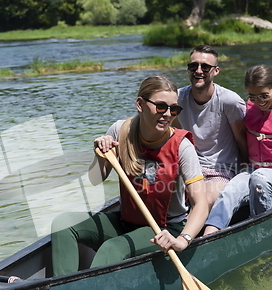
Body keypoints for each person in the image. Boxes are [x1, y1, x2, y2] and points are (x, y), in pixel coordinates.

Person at [51, 76, 209, 276]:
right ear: (140, 104)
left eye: (173, 109)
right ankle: (61, 289)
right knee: (63, 224)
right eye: (161, 107)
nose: (167, 114)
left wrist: (183, 240)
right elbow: (94, 179)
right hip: (127, 220)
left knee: (113, 248)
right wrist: (101, 154)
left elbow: (200, 204)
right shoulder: (119, 131)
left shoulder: (182, 147)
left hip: (165, 228)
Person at [203, 65, 272, 235]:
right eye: (253, 97)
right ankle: (209, 235)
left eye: (264, 96)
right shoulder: (250, 106)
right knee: (229, 191)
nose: (259, 101)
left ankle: (261, 233)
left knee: (260, 178)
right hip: (255, 170)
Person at [174, 44, 248, 210]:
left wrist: (245, 175)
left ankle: (187, 235)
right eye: (193, 66)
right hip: (188, 168)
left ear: (216, 71)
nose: (198, 70)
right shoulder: (177, 99)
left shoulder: (230, 101)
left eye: (205, 67)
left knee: (203, 202)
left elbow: (243, 141)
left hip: (220, 170)